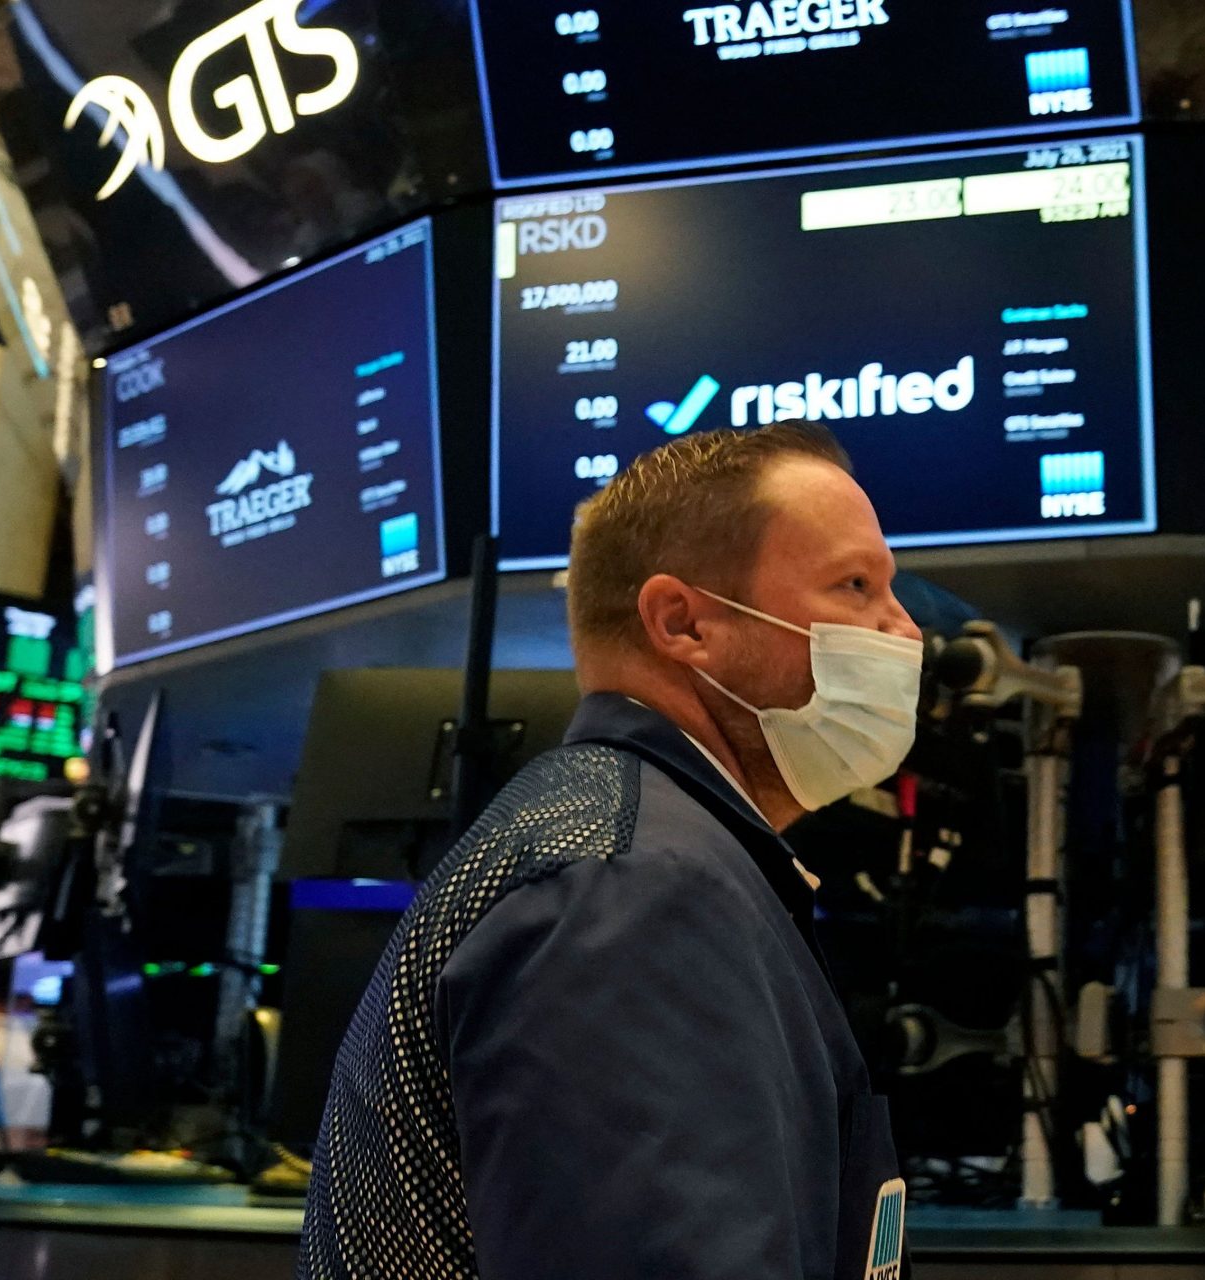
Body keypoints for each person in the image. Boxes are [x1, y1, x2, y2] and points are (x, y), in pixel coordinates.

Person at [299, 423, 923, 1280]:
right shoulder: (633, 886)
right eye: (856, 586)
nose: (907, 632)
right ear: (682, 623)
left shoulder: (643, 848)